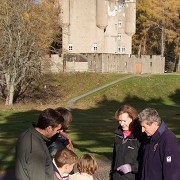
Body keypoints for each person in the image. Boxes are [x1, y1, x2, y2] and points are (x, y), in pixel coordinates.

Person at [15, 108, 64, 180]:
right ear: (49, 128)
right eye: (57, 130)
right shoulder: (36, 149)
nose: (58, 132)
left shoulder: (27, 134)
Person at [138, 107, 180, 180]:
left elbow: (172, 173)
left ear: (155, 124)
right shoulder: (149, 138)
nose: (142, 130)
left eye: (144, 127)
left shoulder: (168, 139)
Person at [110, 104, 144, 180]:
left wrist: (131, 167)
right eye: (120, 121)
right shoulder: (118, 135)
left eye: (124, 121)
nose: (121, 124)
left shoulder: (139, 137)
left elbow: (145, 162)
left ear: (132, 119)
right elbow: (114, 160)